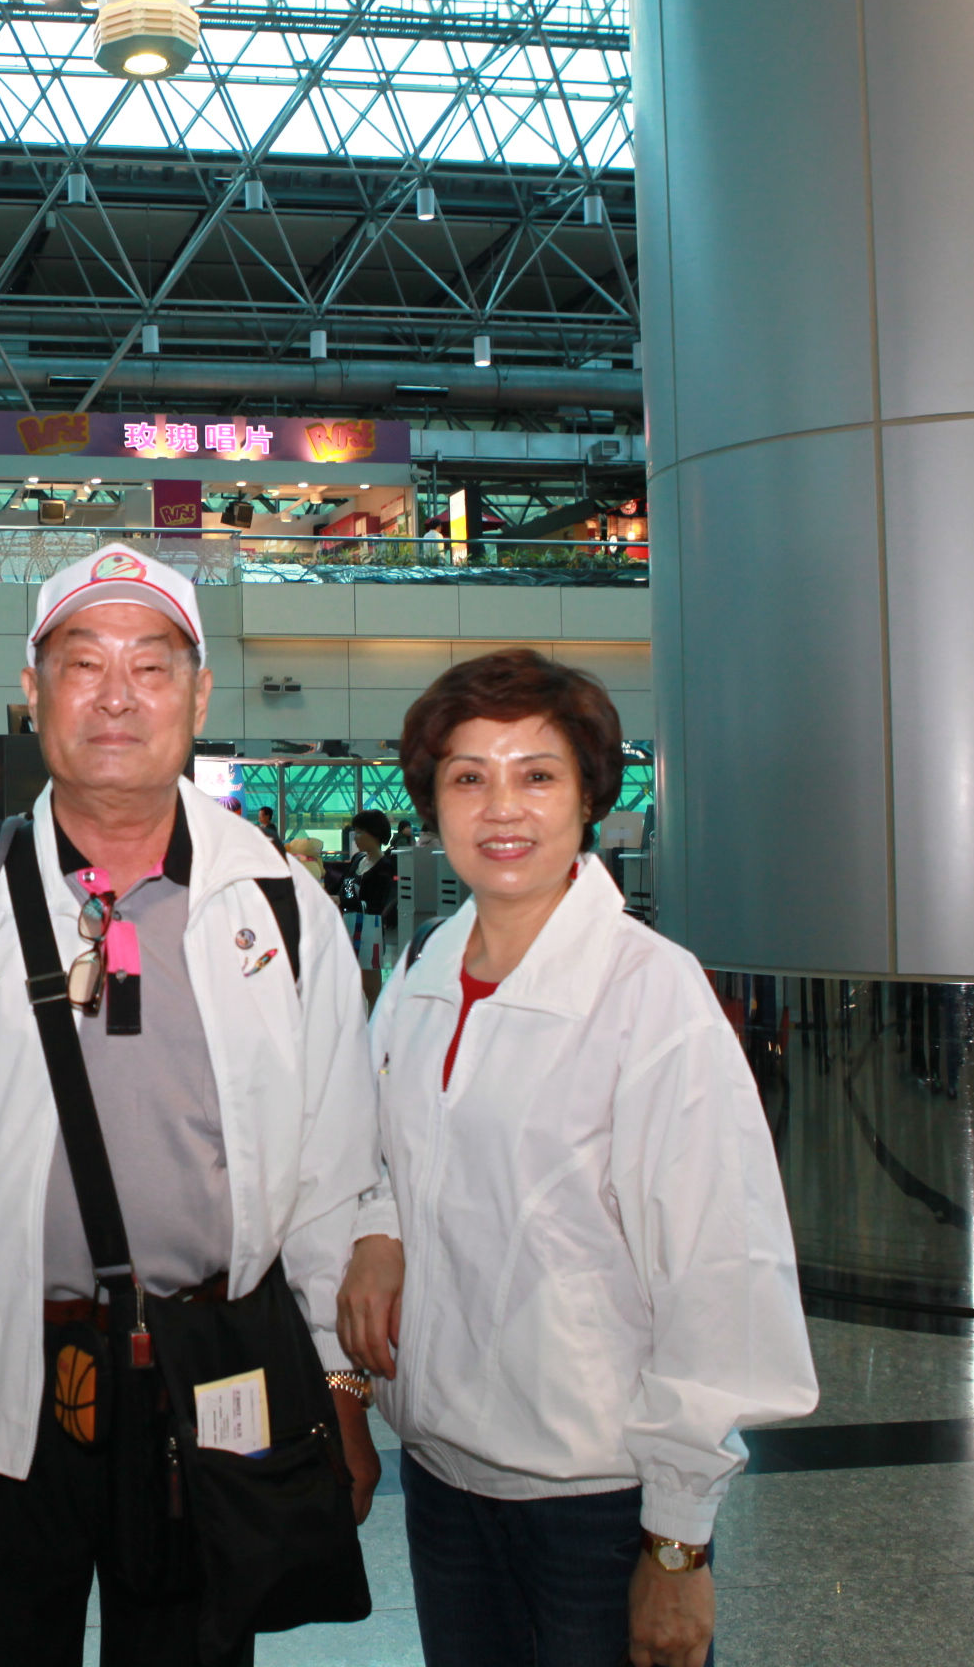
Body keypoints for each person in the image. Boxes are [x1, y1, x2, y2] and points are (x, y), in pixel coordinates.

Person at [0, 546, 381, 1666]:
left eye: (151, 664)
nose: (118, 695)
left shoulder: (280, 906)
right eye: (83, 664)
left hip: (217, 1369)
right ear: (32, 692)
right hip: (6, 1367)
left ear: (199, 694)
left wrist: (338, 1377)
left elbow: (332, 1165)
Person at [335, 648, 817, 1667]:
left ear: (590, 796)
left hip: (596, 1499)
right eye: (469, 775)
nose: (502, 807)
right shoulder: (424, 970)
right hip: (444, 1477)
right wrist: (379, 1229)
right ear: (433, 800)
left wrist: (677, 1541)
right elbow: (379, 1141)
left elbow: (717, 1271)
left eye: (538, 774)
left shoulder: (650, 993)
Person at [336, 811, 397, 998]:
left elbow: (374, 906)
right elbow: (341, 887)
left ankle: (374, 1017)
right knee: (346, 987)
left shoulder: (385, 867)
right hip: (346, 925)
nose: (355, 837)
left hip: (369, 931)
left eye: (360, 832)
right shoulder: (358, 860)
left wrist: (342, 901)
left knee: (370, 990)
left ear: (375, 834)